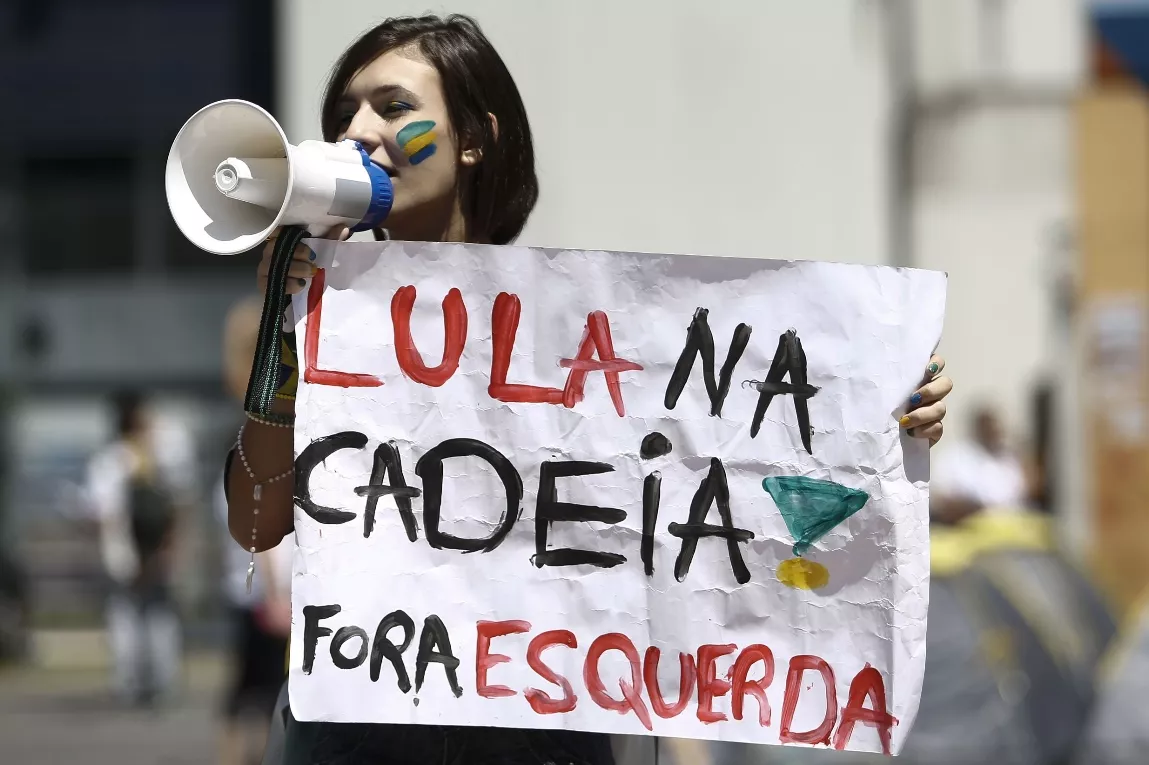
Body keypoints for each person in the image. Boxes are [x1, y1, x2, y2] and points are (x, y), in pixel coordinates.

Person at [225, 14, 955, 765]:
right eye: (344, 112)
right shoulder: (330, 324)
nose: (357, 131)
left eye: (392, 106)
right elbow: (254, 522)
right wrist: (286, 349)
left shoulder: (575, 328)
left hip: (539, 740)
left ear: (474, 138)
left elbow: (671, 532)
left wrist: (882, 412)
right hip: (360, 734)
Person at [219, 298, 295, 765]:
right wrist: (272, 593)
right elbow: (260, 534)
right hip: (270, 596)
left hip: (265, 592)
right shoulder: (258, 435)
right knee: (261, 694)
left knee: (252, 693)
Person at [86, 391, 192, 706]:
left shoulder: (111, 459)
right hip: (147, 548)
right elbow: (178, 502)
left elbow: (103, 514)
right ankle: (156, 681)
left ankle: (134, 683)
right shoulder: (154, 455)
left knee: (130, 617)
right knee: (152, 616)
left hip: (132, 550)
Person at [930, 405, 1030, 525]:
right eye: (987, 425)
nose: (992, 430)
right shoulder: (955, 456)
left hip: (1006, 529)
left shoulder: (1008, 459)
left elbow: (1019, 498)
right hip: (963, 528)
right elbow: (942, 499)